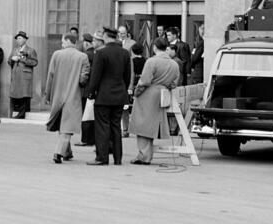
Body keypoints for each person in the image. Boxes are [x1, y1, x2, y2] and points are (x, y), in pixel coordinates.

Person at [85, 26, 131, 166]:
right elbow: (127, 76)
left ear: (106, 36)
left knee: (102, 128)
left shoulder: (101, 53)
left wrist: (91, 93)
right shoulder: (124, 53)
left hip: (104, 96)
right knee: (115, 127)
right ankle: (118, 158)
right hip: (119, 96)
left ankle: (102, 157)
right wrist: (122, 90)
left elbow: (95, 76)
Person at [129, 37, 180, 165]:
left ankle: (143, 155)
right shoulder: (174, 64)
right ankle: (146, 155)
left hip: (147, 94)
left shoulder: (152, 61)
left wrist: (136, 92)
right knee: (152, 126)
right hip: (163, 94)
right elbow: (174, 83)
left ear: (155, 47)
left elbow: (145, 81)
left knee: (142, 125)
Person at [43, 33, 90, 163]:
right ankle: (60, 152)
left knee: (61, 124)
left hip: (57, 94)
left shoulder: (57, 55)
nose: (61, 43)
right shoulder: (83, 57)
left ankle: (65, 151)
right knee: (68, 126)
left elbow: (50, 76)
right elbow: (83, 78)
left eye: (63, 41)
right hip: (73, 95)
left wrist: (48, 95)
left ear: (69, 41)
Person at [8, 31, 38, 118]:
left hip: (25, 74)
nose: (18, 40)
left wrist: (22, 60)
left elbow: (35, 62)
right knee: (16, 93)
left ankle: (22, 113)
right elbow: (9, 61)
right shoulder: (14, 49)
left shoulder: (31, 50)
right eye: (17, 38)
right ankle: (17, 111)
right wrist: (13, 59)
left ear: (25, 39)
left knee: (24, 93)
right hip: (16, 74)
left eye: (20, 38)